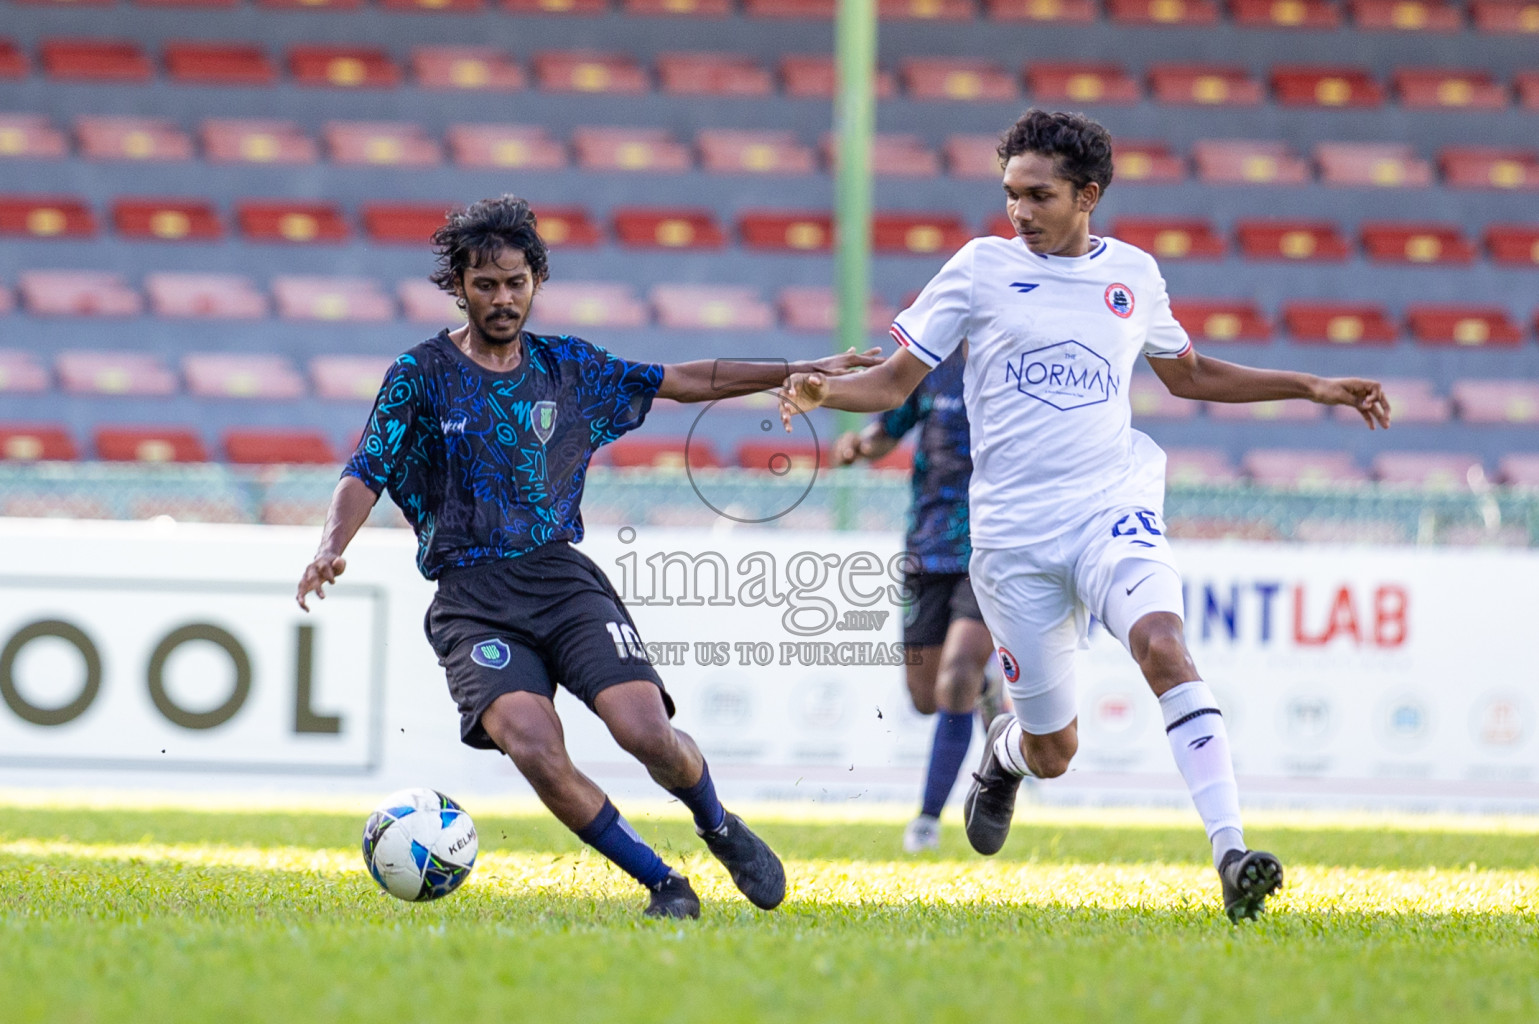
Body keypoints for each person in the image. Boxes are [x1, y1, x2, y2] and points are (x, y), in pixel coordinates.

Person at [780, 110, 1391, 922]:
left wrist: (1310, 386)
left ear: (1088, 195)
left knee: (1164, 646)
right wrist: (821, 391)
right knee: (1053, 750)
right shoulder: (977, 269)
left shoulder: (1132, 276)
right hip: (1010, 539)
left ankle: (1230, 853)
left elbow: (1192, 374)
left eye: (1038, 196)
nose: (1019, 213)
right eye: (1009, 196)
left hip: (1111, 507)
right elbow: (891, 385)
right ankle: (1001, 758)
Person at [296, 195, 880, 920]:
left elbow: (678, 380)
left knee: (646, 736)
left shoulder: (568, 367)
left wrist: (793, 368)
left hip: (563, 583)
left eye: (515, 283)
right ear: (460, 287)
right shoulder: (420, 374)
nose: (502, 299)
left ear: (535, 280)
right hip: (472, 602)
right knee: (536, 750)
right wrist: (330, 545)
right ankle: (665, 884)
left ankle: (719, 826)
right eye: (486, 285)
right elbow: (366, 467)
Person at [831, 349, 998, 853]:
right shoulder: (931, 369)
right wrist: (859, 447)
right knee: (925, 697)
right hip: (927, 547)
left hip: (993, 548)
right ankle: (989, 690)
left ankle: (927, 819)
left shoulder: (1021, 366)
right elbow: (889, 428)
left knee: (957, 677)